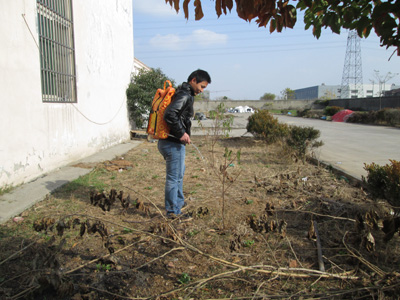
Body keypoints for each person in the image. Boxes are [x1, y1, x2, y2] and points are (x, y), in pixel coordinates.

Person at [157, 69, 211, 219]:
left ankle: (178, 203)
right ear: (193, 80)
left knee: (178, 176)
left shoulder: (183, 93)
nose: (202, 90)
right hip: (172, 143)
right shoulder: (185, 95)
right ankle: (173, 212)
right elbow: (170, 114)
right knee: (174, 178)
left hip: (170, 142)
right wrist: (181, 133)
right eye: (202, 86)